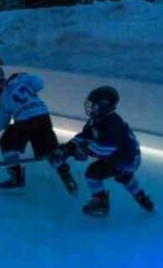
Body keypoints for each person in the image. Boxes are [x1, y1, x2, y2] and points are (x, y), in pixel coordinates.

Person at [0, 66, 77, 194]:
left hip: (25, 121)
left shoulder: (0, 98)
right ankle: (66, 175)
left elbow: (1, 123)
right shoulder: (18, 80)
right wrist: (24, 80)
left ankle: (16, 178)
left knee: (6, 143)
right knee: (50, 149)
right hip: (42, 115)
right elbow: (39, 83)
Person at [58, 86, 155, 216]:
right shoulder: (99, 119)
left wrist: (82, 150)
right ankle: (142, 198)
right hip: (127, 157)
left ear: (103, 105)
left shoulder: (112, 123)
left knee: (93, 173)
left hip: (125, 159)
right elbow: (85, 135)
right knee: (124, 176)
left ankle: (101, 202)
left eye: (94, 104)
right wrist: (69, 146)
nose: (90, 107)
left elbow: (105, 148)